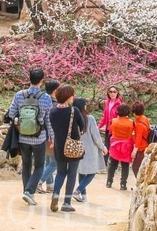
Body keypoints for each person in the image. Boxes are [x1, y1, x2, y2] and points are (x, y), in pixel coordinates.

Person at [6, 68, 54, 206]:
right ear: (42, 81)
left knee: (26, 165)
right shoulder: (46, 98)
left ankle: (27, 192)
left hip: (23, 137)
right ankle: (29, 192)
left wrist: (19, 121)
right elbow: (48, 120)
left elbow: (11, 113)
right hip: (39, 138)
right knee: (39, 166)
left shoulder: (19, 95)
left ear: (29, 79)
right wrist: (52, 136)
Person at [48, 84, 85, 212]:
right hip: (73, 146)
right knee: (72, 174)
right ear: (68, 97)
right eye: (72, 95)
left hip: (59, 146)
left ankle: (55, 194)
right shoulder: (74, 111)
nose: (73, 97)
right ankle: (66, 203)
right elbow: (82, 126)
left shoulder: (52, 111)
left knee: (60, 173)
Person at [72, 98, 106, 203]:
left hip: (77, 149)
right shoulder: (89, 118)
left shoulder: (72, 118)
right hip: (90, 150)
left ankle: (84, 196)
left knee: (81, 172)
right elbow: (96, 136)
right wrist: (103, 148)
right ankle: (77, 191)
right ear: (83, 106)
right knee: (92, 172)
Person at [38, 80, 61, 194]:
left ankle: (50, 185)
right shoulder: (55, 104)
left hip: (41, 134)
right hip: (52, 136)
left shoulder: (42, 100)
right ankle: (38, 182)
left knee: (48, 161)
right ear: (55, 90)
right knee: (55, 162)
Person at [106, 104, 134, 190]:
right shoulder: (131, 122)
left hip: (115, 144)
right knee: (125, 165)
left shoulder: (113, 121)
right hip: (126, 145)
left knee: (112, 163)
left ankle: (109, 181)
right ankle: (123, 184)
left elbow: (110, 130)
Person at [98, 85, 123, 159]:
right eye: (111, 92)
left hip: (115, 129)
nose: (112, 93)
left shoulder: (120, 103)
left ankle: (113, 163)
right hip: (108, 129)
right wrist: (98, 126)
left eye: (114, 92)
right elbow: (104, 116)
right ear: (108, 93)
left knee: (114, 148)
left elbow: (121, 117)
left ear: (117, 93)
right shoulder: (107, 102)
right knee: (106, 147)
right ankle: (104, 163)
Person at [132, 102, 151, 177]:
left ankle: (139, 182)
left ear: (134, 112)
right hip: (146, 145)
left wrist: (134, 151)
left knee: (135, 167)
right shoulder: (145, 119)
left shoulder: (139, 125)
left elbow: (138, 139)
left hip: (141, 148)